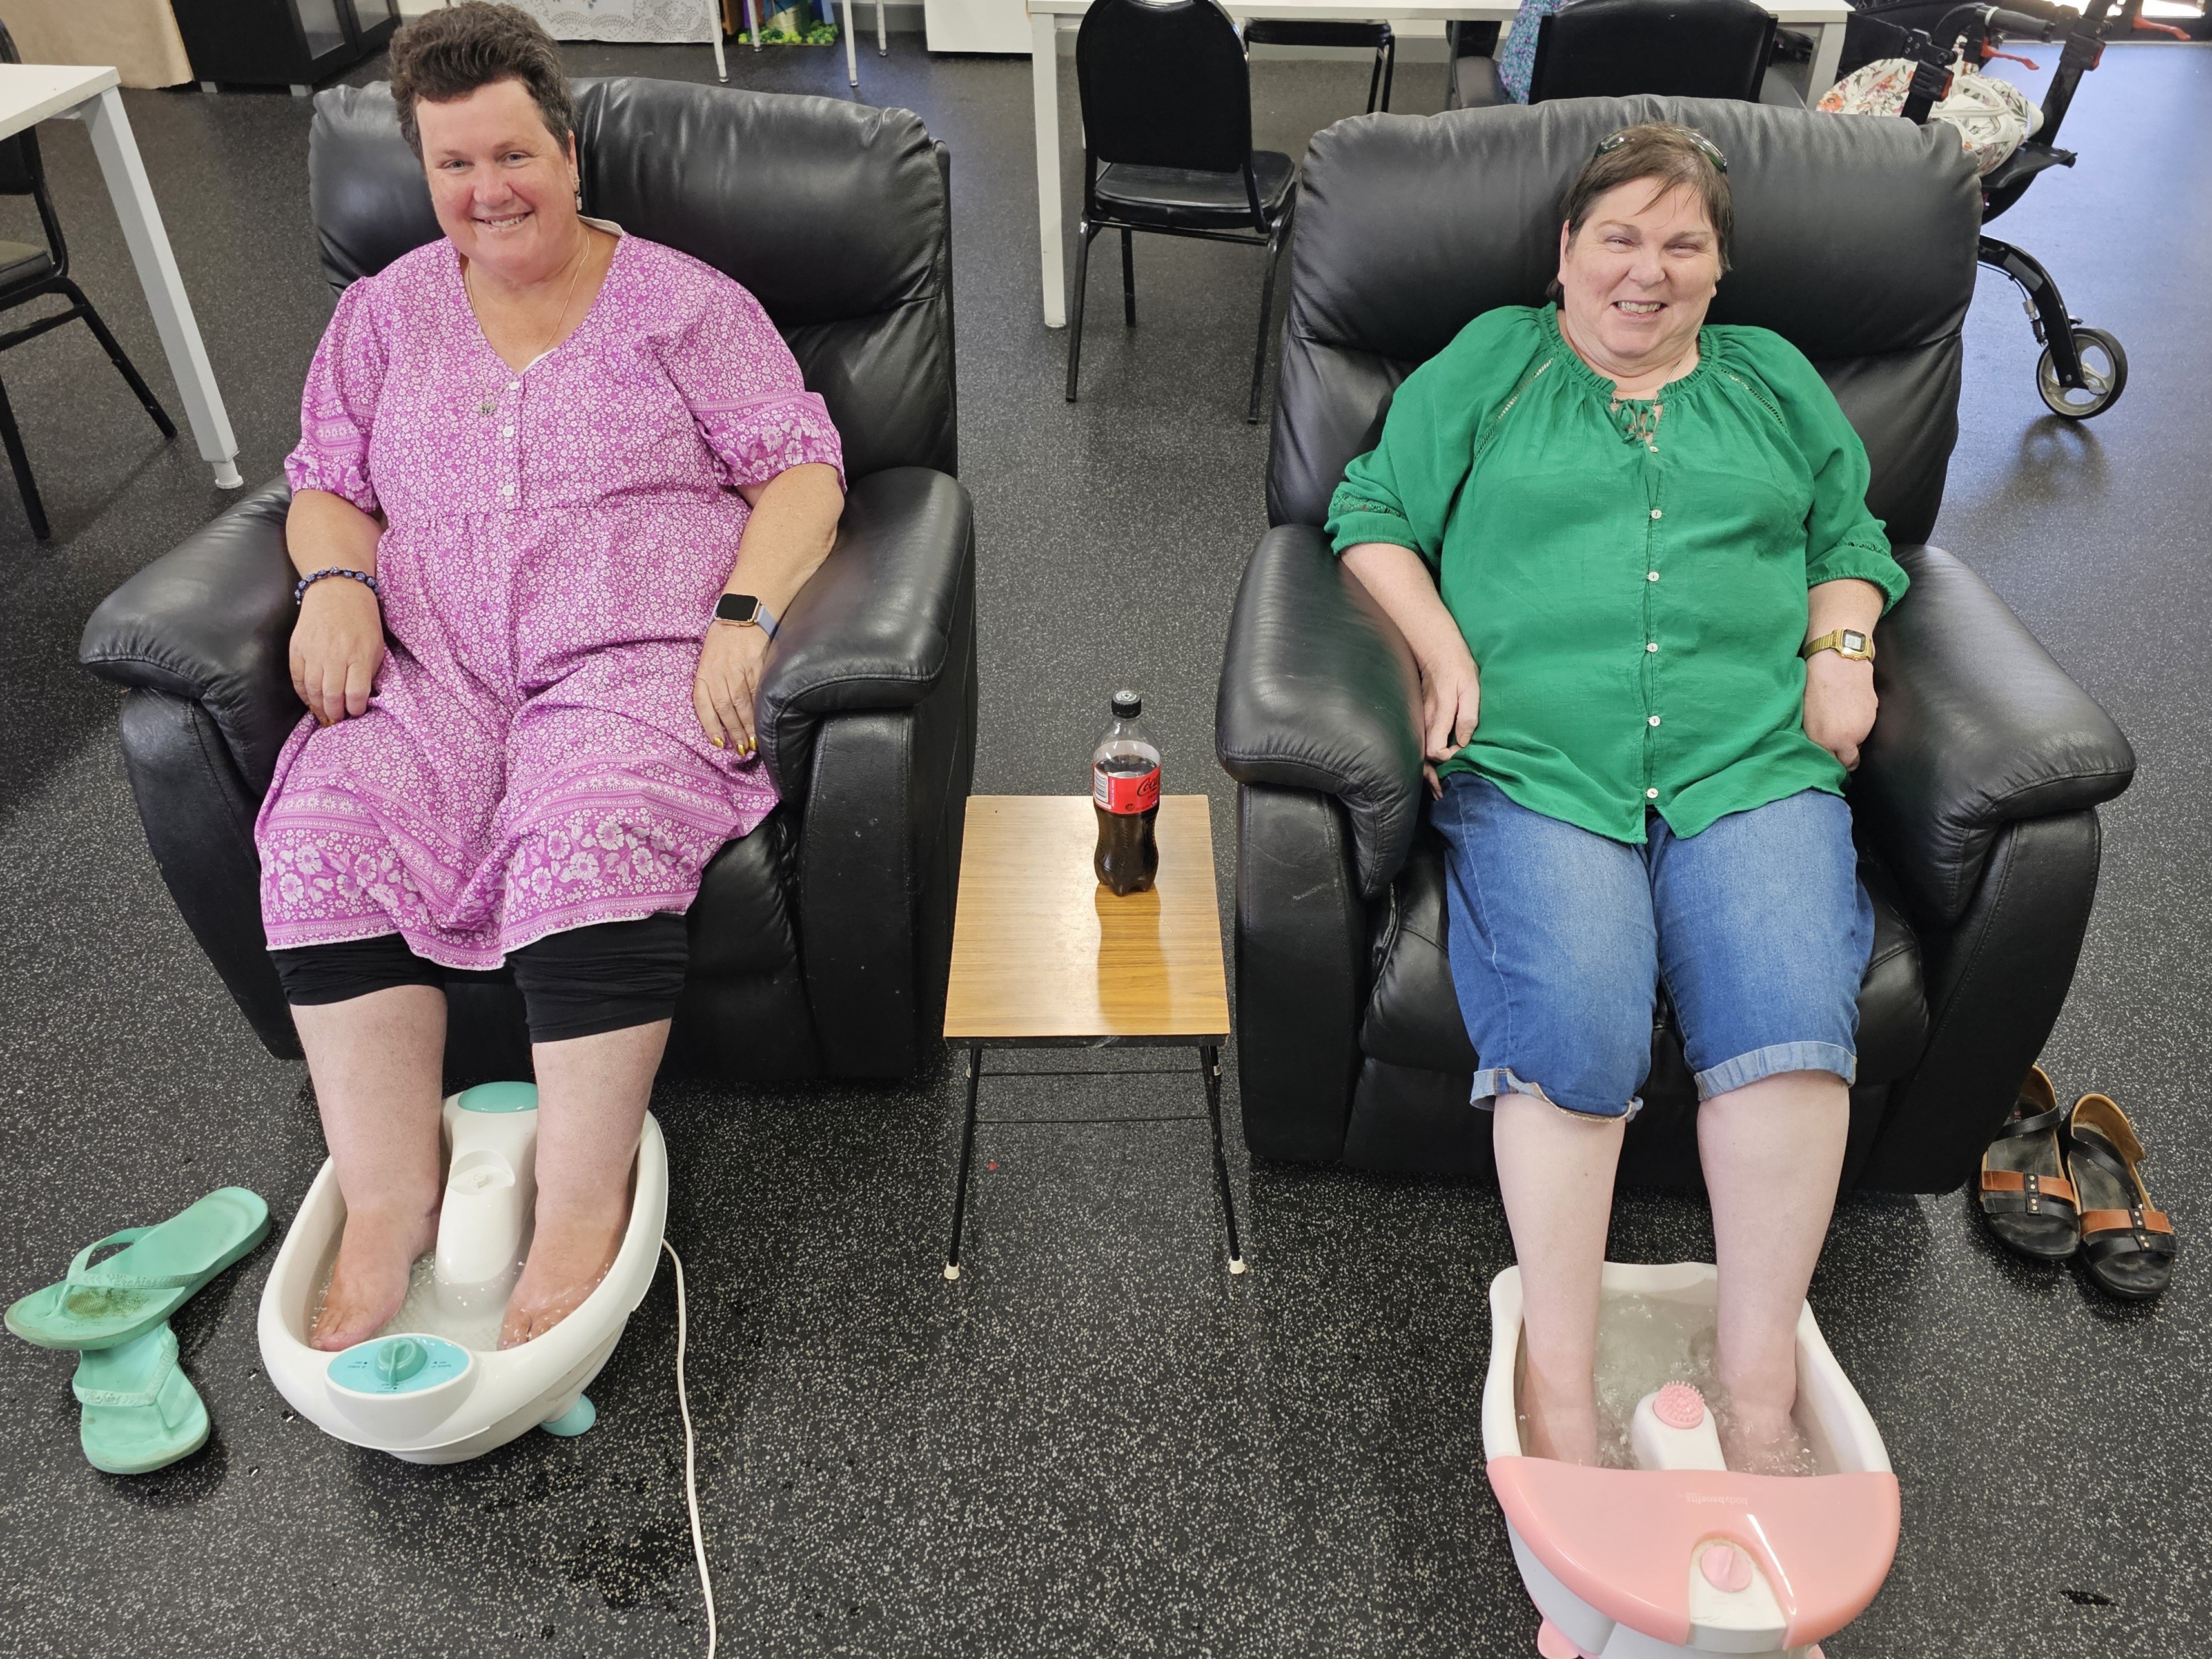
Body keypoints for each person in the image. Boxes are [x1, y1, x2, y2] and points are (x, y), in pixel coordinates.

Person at [265, 3, 846, 1353]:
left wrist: (745, 619)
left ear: (569, 149)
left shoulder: (688, 306)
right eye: (453, 167)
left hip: (635, 659)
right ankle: (386, 1197)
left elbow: (804, 471)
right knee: (320, 834)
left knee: (588, 836)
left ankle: (579, 1211)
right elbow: (322, 485)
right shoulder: (382, 314)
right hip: (437, 669)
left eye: (511, 157)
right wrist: (337, 583)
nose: (486, 193)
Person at [1327, 124, 1906, 1472]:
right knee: (1578, 1015)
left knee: (1788, 1019)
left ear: (1719, 269)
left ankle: (1763, 1395)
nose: (1646, 273)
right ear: (1566, 254)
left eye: (1682, 245)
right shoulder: (1495, 360)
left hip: (1746, 759)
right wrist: (1443, 649)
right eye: (1619, 239)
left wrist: (1843, 652)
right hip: (1540, 761)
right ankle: (1563, 1386)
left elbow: (1850, 540)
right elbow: (1369, 515)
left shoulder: (1772, 379)